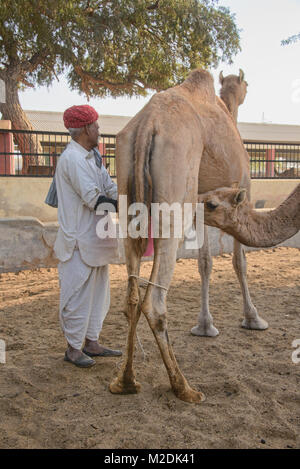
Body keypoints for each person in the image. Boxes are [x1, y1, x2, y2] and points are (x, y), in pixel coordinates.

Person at [52, 104, 122, 368]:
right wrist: (133, 207)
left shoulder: (93, 156)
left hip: (96, 240)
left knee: (99, 295)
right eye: (95, 126)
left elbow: (109, 188)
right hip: (78, 241)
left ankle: (92, 343)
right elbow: (96, 200)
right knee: (77, 295)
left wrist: (133, 196)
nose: (99, 131)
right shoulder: (72, 159)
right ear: (83, 130)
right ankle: (72, 349)